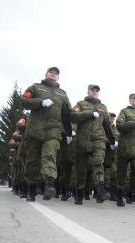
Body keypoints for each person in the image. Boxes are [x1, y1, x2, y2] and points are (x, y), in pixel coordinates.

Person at [20, 67, 73, 202]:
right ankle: (31, 191)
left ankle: (49, 185)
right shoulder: (35, 88)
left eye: (56, 73)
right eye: (51, 72)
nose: (53, 74)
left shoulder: (62, 94)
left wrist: (68, 133)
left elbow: (67, 114)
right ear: (46, 74)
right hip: (35, 130)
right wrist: (40, 102)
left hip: (53, 131)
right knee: (32, 161)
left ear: (58, 77)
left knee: (49, 156)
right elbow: (23, 101)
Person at [71, 84, 115, 205]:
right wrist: (88, 114)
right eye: (93, 90)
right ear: (88, 91)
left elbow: (107, 125)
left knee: (98, 164)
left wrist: (112, 141)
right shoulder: (81, 104)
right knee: (81, 169)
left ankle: (100, 190)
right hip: (82, 140)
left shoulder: (103, 107)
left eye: (97, 91)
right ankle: (79, 193)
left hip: (99, 140)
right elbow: (73, 116)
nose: (95, 92)